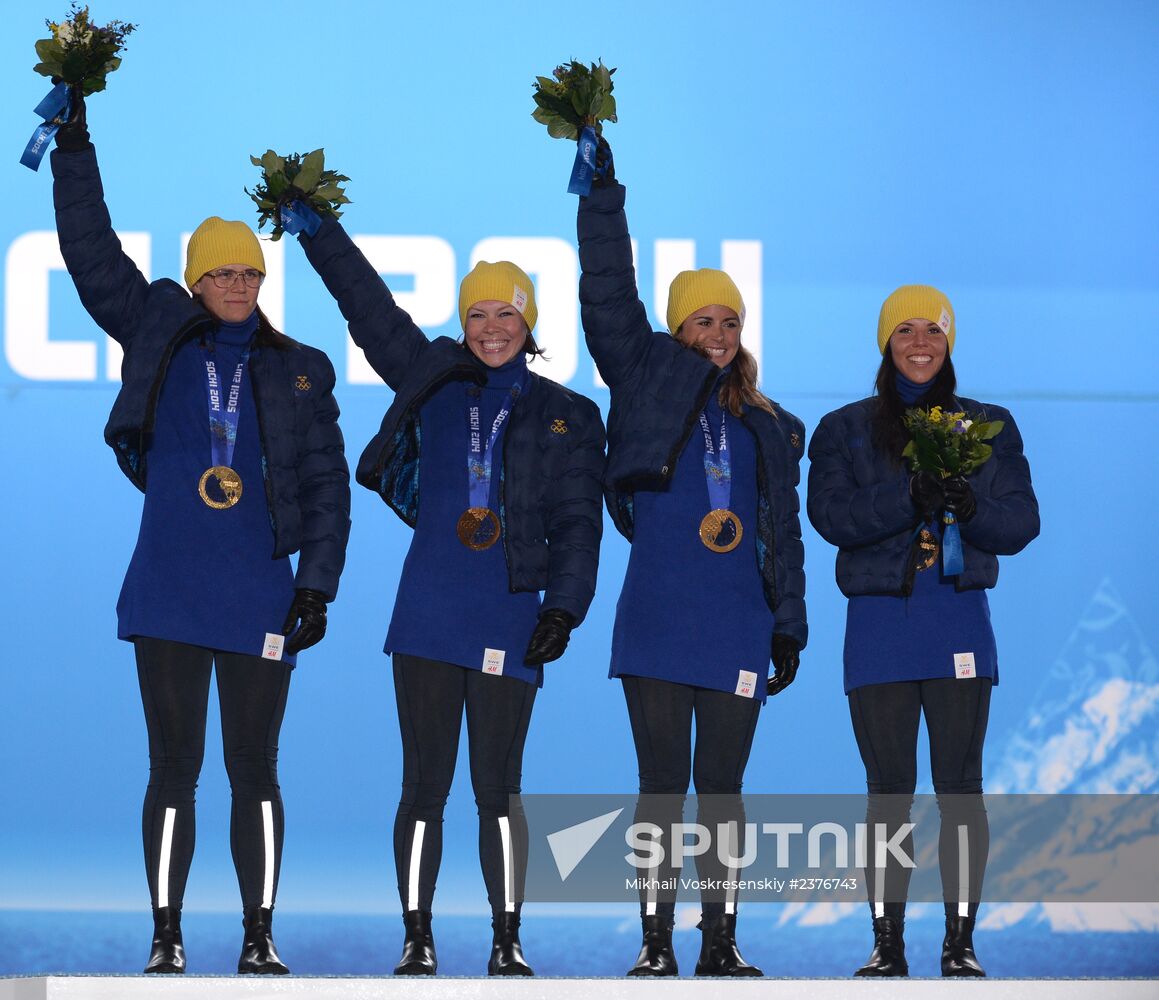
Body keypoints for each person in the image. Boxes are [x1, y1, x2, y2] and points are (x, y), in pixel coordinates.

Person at [48, 94, 351, 976]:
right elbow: (89, 250)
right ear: (194, 281)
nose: (238, 286)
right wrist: (75, 141)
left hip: (260, 588)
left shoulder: (299, 370)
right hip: (171, 586)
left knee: (255, 765)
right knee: (172, 766)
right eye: (221, 275)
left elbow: (329, 487)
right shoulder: (159, 332)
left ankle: (259, 936)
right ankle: (167, 934)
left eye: (250, 275)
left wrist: (316, 585)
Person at [294, 201, 605, 976]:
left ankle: (506, 940)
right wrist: (316, 229)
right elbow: (367, 307)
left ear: (530, 324)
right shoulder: (430, 380)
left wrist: (564, 608)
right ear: (461, 322)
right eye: (477, 313)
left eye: (507, 313)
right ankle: (417, 936)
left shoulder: (569, 414)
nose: (491, 327)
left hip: (509, 613)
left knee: (499, 788)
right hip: (427, 613)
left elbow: (578, 524)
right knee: (423, 785)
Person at [575, 139, 808, 977]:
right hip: (659, 617)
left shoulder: (774, 426)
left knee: (723, 789)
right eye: (701, 320)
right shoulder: (644, 381)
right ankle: (652, 944)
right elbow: (606, 297)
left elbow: (782, 531)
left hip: (739, 623)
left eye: (729, 321)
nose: (717, 333)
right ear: (676, 329)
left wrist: (788, 624)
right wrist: (602, 196)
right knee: (660, 786)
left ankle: (719, 943)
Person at [807, 285, 1039, 977]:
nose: (918, 343)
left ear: (948, 342)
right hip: (879, 623)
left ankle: (960, 943)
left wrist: (968, 507)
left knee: (960, 785)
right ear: (885, 341)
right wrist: (905, 495)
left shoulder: (988, 423)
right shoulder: (843, 428)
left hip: (956, 620)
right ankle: (886, 945)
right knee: (887, 788)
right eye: (903, 330)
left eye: (931, 331)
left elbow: (1021, 523)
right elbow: (832, 518)